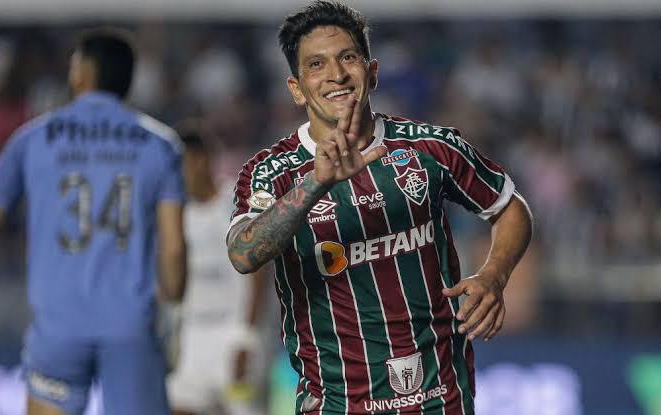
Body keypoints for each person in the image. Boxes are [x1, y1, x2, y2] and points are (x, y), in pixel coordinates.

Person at [226, 2, 533, 414]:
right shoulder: (272, 172)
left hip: (438, 395)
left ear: (372, 72)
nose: (336, 74)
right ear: (296, 89)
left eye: (347, 57)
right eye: (316, 64)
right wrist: (316, 183)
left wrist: (494, 275)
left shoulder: (430, 147)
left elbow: (508, 206)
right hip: (336, 402)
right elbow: (243, 254)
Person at [0, 28, 187, 415]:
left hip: (58, 326)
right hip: (130, 325)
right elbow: (174, 247)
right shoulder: (160, 145)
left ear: (80, 73)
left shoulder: (31, 139)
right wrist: (174, 314)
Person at [169, 122, 267, 415]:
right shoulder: (177, 216)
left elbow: (258, 273)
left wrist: (246, 338)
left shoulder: (234, 206)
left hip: (232, 336)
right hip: (193, 336)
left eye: (182, 164)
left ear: (202, 161)